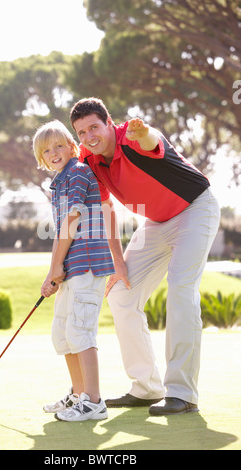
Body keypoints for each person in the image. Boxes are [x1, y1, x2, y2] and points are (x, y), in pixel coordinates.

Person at [70, 97, 220, 416]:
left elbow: (151, 140)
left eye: (94, 127)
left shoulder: (133, 135)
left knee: (180, 289)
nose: (89, 136)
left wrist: (144, 132)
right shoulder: (90, 158)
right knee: (122, 292)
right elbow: (105, 209)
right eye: (81, 132)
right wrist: (118, 262)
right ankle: (147, 387)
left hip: (195, 209)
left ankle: (182, 393)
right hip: (156, 223)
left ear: (109, 124)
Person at [32, 120, 115, 422]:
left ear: (71, 147)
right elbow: (60, 236)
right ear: (41, 159)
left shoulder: (78, 172)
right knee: (63, 335)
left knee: (80, 332)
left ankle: (93, 402)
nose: (53, 152)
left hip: (88, 266)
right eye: (46, 150)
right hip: (72, 269)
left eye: (58, 145)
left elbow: (71, 222)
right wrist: (53, 272)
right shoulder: (59, 183)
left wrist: (55, 268)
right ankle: (79, 395)